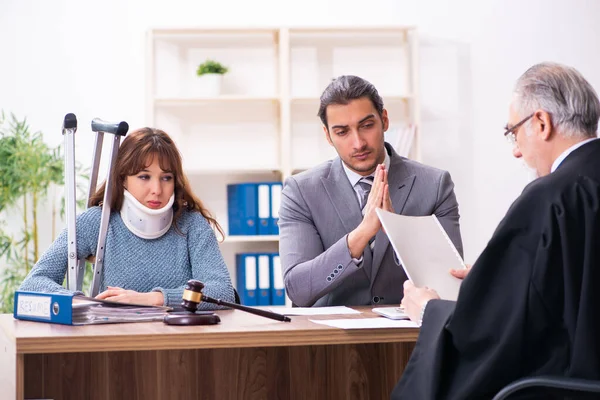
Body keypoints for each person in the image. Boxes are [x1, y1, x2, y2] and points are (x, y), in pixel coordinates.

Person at [393, 62, 600, 399]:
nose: (517, 150)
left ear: (541, 123)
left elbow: (493, 333)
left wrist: (430, 311)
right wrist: (495, 278)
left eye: (513, 132)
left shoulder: (549, 198)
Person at [278, 75, 463, 307]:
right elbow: (298, 290)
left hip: (410, 335)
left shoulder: (435, 185)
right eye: (342, 132)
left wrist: (399, 231)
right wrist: (361, 234)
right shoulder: (301, 192)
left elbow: (448, 283)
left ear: (384, 120)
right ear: (328, 135)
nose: (358, 143)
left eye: (366, 126)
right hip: (330, 338)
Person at [19, 127, 235, 309]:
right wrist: (80, 302)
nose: (157, 189)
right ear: (123, 179)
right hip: (117, 348)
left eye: (166, 178)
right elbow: (34, 283)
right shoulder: (98, 222)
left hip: (178, 347)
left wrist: (153, 299)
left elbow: (223, 292)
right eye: (144, 177)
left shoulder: (192, 225)